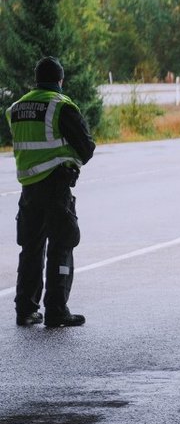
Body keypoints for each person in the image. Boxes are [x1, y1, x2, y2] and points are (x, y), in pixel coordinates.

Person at [6, 57, 96, 327]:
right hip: (56, 186)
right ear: (60, 81)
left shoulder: (16, 108)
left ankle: (25, 309)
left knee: (30, 248)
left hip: (29, 188)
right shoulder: (60, 106)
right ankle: (57, 310)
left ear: (36, 79)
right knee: (62, 244)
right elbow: (86, 147)